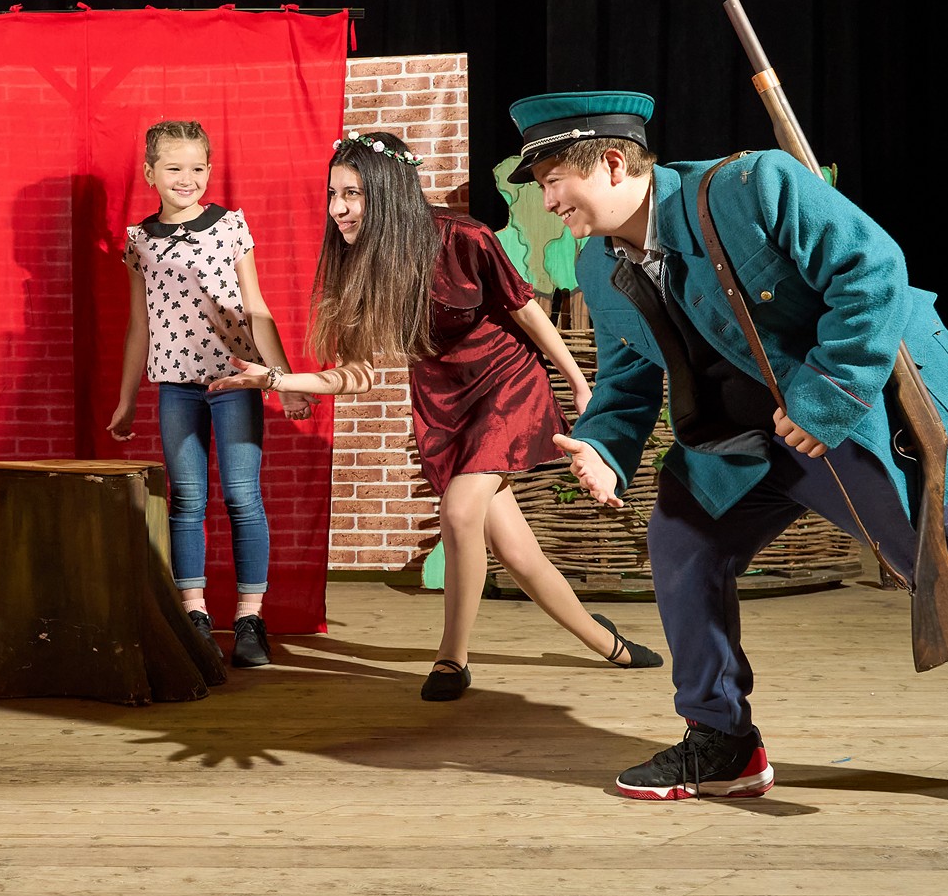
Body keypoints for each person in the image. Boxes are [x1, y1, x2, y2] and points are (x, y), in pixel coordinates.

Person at [513, 89, 948, 833]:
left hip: (860, 417)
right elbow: (626, 379)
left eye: (553, 180)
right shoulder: (598, 264)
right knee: (681, 540)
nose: (548, 201)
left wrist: (825, 395)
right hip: (740, 442)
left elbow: (873, 272)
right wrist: (606, 449)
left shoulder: (752, 188)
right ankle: (722, 741)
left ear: (613, 163)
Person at [215, 131, 660, 699]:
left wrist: (577, 381)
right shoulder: (357, 265)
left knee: (459, 509)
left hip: (503, 382)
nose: (338, 209)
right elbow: (356, 375)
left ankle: (452, 657)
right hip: (442, 400)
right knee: (516, 551)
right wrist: (276, 380)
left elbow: (526, 311)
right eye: (332, 195)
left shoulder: (463, 236)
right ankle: (607, 643)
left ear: (388, 191)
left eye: (352, 194)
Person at [108, 120, 309, 668]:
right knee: (187, 500)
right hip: (176, 386)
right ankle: (193, 613)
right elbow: (139, 324)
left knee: (242, 496)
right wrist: (127, 399)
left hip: (236, 382)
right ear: (150, 173)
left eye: (197, 168)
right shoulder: (140, 240)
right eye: (174, 168)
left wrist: (284, 381)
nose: (187, 178)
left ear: (210, 170)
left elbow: (257, 307)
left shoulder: (229, 226)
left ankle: (249, 618)